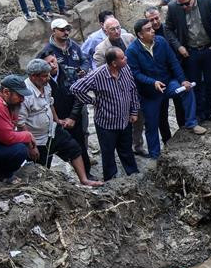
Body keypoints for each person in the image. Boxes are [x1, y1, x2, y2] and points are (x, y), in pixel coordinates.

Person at [126, 18, 206, 159]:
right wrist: (152, 82)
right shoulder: (132, 51)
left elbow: (173, 62)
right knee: (151, 126)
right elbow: (135, 74)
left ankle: (191, 123)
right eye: (148, 30)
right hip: (149, 93)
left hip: (168, 84)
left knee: (187, 89)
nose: (152, 31)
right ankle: (155, 156)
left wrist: (183, 80)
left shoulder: (161, 42)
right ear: (140, 35)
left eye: (152, 28)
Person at [21, 59, 102, 186]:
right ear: (33, 76)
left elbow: (50, 104)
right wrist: (31, 146)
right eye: (44, 76)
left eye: (48, 75)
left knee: (74, 148)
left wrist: (57, 120)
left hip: (52, 130)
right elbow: (20, 123)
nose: (48, 78)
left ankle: (84, 179)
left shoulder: (45, 86)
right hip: (36, 138)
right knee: (41, 167)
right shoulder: (25, 95)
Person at [70, 47, 140, 180]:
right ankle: (110, 179)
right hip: (106, 123)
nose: (126, 59)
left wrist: (134, 111)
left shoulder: (126, 69)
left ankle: (133, 174)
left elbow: (132, 90)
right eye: (122, 58)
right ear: (114, 63)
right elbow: (76, 89)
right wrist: (92, 101)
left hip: (124, 120)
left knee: (126, 150)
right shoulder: (98, 75)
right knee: (108, 153)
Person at [166, 0, 211, 123]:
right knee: (194, 84)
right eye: (181, 5)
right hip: (190, 52)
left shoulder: (208, 0)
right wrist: (179, 47)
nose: (184, 7)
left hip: (209, 49)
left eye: (186, 4)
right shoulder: (173, 7)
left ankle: (210, 112)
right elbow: (168, 29)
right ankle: (199, 114)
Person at [36, 46, 91, 177]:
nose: (52, 65)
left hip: (74, 115)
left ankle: (86, 175)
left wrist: (72, 117)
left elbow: (80, 96)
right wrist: (57, 120)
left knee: (80, 146)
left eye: (53, 61)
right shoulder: (43, 79)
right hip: (55, 120)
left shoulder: (70, 72)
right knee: (49, 148)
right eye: (48, 64)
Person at [144, 7, 182, 140]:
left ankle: (183, 133)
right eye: (151, 20)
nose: (154, 22)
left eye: (156, 18)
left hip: (174, 75)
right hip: (158, 79)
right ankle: (167, 140)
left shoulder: (168, 29)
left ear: (160, 16)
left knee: (180, 105)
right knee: (162, 113)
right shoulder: (145, 34)